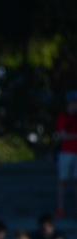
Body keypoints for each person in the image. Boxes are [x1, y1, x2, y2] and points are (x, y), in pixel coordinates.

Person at [55, 90, 77, 218]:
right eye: (72, 103)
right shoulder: (63, 117)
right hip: (66, 152)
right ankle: (60, 208)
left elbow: (64, 135)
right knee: (62, 181)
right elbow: (60, 136)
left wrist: (68, 136)